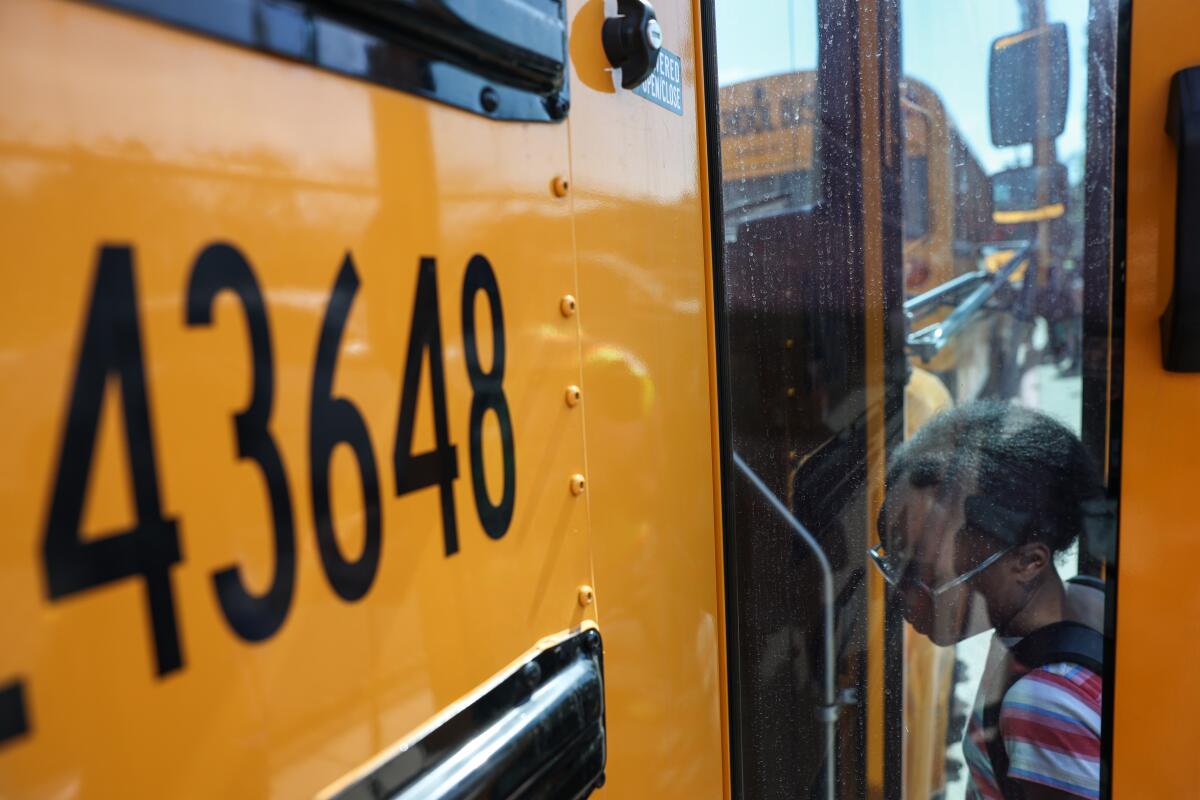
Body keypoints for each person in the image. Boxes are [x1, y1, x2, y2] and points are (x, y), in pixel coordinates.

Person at [870, 401, 1106, 800]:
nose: (900, 594)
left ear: (1029, 561)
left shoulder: (1042, 705)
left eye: (925, 575)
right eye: (892, 563)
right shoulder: (1083, 602)